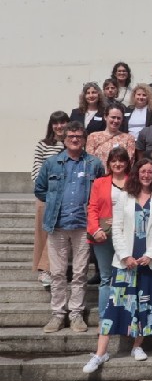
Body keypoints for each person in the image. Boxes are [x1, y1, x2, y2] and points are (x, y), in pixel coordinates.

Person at [81, 158, 152, 372]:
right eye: (143, 171)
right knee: (114, 306)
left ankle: (137, 346)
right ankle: (100, 354)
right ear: (137, 173)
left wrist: (150, 255)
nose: (146, 175)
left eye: (150, 172)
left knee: (146, 305)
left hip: (151, 263)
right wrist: (124, 256)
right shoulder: (124, 196)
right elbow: (117, 228)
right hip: (125, 263)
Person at [35, 121, 105, 333]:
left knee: (80, 273)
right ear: (64, 140)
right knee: (57, 273)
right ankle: (58, 314)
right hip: (57, 225)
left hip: (83, 226)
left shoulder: (93, 164)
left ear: (84, 140)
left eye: (79, 136)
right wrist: (55, 203)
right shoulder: (52, 163)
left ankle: (76, 314)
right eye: (71, 136)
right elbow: (40, 189)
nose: (75, 139)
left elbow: (100, 191)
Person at [87, 147, 130, 318]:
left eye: (121, 160)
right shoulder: (100, 182)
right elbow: (92, 208)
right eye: (114, 161)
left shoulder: (133, 182)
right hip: (103, 235)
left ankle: (122, 316)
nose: (117, 164)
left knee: (124, 276)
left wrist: (121, 220)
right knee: (106, 277)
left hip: (126, 235)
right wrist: (95, 229)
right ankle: (104, 318)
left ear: (127, 163)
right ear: (109, 163)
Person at [31, 111, 70, 287]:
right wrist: (46, 189)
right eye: (56, 123)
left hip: (66, 196)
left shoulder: (72, 143)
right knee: (42, 233)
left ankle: (48, 269)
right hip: (45, 195)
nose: (59, 126)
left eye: (62, 122)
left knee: (56, 232)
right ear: (51, 125)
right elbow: (36, 170)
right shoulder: (43, 145)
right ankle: (43, 270)